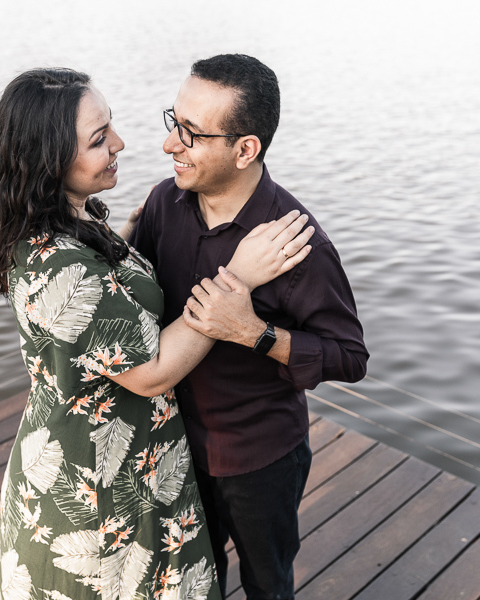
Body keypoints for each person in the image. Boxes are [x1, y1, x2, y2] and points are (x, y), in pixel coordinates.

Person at [0, 68, 315, 600]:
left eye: (109, 125)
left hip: (138, 457)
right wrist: (240, 275)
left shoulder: (77, 218)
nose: (121, 143)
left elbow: (105, 297)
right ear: (50, 162)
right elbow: (152, 371)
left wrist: (129, 237)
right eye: (98, 139)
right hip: (94, 483)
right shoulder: (58, 263)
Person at [128, 54, 369, 600]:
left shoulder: (297, 245)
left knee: (268, 585)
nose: (170, 145)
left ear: (245, 149)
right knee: (192, 583)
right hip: (172, 447)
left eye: (191, 134)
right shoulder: (163, 203)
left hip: (260, 457)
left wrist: (256, 333)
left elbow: (350, 357)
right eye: (174, 122)